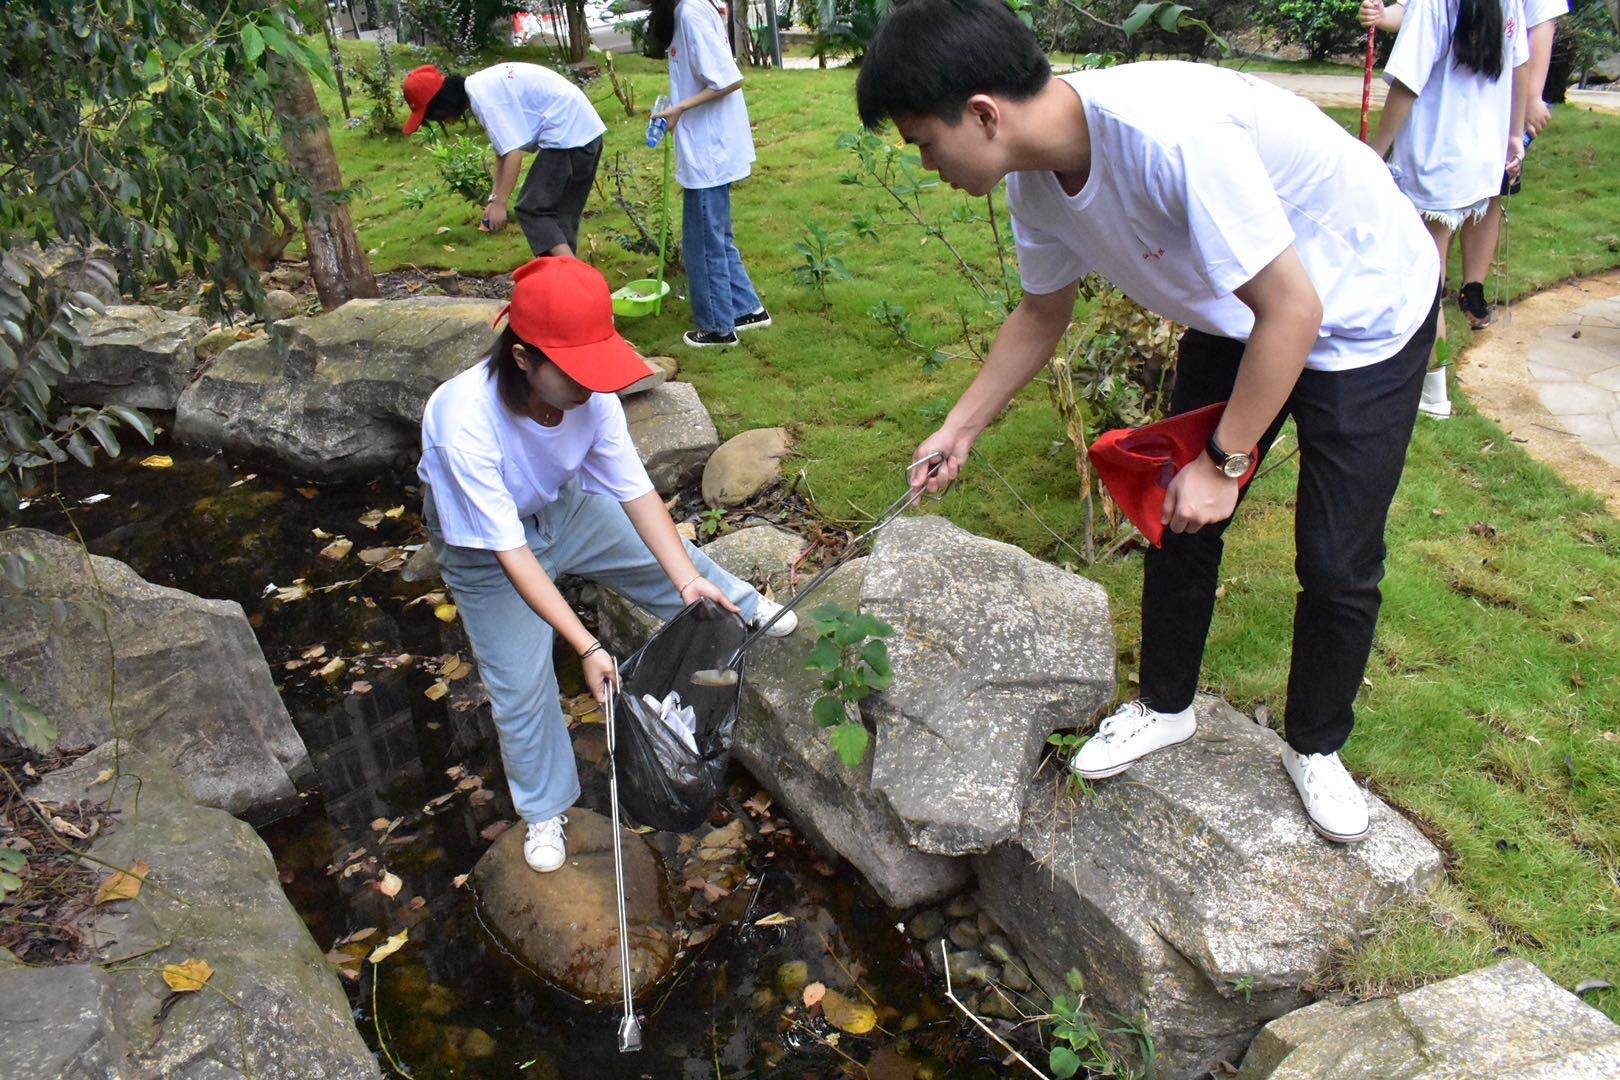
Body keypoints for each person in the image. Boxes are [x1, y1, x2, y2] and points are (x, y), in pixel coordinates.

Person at [857, 0, 1440, 842]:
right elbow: (1039, 314)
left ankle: (1316, 748)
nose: (924, 164)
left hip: (1362, 310)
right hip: (1242, 314)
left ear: (982, 114)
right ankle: (1167, 706)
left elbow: (1296, 311)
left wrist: (1227, 463)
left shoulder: (1172, 140)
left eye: (922, 142)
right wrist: (962, 427)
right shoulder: (1035, 179)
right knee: (1174, 513)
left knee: (1337, 555)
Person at [418, 256, 795, 872]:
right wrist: (589, 646)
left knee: (679, 569)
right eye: (575, 372)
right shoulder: (462, 420)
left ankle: (746, 606)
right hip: (485, 550)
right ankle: (544, 810)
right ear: (523, 360)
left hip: (564, 507)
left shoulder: (591, 399)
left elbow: (636, 493)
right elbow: (511, 554)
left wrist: (685, 579)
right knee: (521, 683)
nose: (592, 386)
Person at [1362, 0, 1562, 330]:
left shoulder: (1432, 4)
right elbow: (1520, 65)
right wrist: (1513, 138)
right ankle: (1429, 373)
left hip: (1435, 158)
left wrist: (1374, 151)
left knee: (1425, 280)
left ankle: (1430, 376)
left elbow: (1407, 84)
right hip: (1479, 160)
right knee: (1427, 271)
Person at [648, 0, 771, 348]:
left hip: (709, 149)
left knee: (702, 242)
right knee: (715, 234)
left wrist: (680, 108)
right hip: (708, 146)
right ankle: (747, 309)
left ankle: (718, 327)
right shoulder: (690, 9)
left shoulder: (689, 12)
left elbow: (727, 79)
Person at [401, 62, 606, 258]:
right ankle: (566, 284)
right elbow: (502, 152)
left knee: (531, 210)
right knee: (558, 219)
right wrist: (493, 199)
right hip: (586, 132)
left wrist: (501, 203)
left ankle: (572, 276)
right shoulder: (481, 87)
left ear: (441, 103)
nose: (442, 121)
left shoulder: (485, 100)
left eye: (434, 116)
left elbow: (513, 154)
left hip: (568, 136)